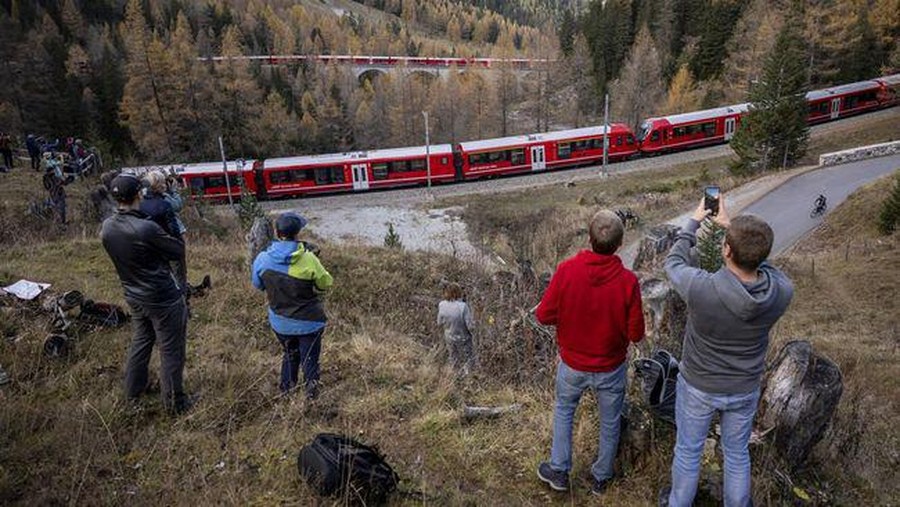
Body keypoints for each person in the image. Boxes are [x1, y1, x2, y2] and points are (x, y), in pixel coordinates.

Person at [662, 196, 793, 507]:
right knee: (736, 455)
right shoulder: (781, 292)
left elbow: (673, 263)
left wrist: (693, 221)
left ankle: (679, 503)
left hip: (698, 386)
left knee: (689, 451)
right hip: (744, 387)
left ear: (726, 250)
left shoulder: (701, 287)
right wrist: (735, 230)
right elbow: (765, 266)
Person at [534, 210, 645, 496]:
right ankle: (601, 477)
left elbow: (544, 315)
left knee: (564, 411)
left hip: (572, 364)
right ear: (620, 244)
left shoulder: (566, 271)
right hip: (610, 367)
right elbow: (636, 334)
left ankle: (559, 470)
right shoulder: (628, 282)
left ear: (589, 238)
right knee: (610, 422)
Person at [100, 173, 192, 415]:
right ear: (139, 194)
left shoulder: (107, 227)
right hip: (162, 297)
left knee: (141, 342)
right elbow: (177, 250)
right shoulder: (146, 228)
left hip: (133, 294)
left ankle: (133, 391)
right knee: (171, 349)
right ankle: (175, 403)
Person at [252, 212, 333, 399]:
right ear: (297, 234)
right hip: (309, 323)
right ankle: (311, 396)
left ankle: (287, 391)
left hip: (279, 322)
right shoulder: (309, 259)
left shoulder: (262, 259)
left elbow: (257, 284)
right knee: (310, 358)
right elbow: (325, 284)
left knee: (289, 354)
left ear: (278, 233)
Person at [141, 171, 187, 295]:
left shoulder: (141, 204)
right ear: (160, 184)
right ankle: (182, 299)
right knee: (179, 275)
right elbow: (174, 228)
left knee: (164, 275)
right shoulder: (164, 203)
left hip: (151, 247)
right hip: (168, 245)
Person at [437, 283, 476, 376]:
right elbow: (470, 326)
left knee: (453, 357)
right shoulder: (463, 306)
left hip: (449, 336)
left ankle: (454, 376)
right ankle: (467, 376)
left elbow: (439, 322)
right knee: (468, 358)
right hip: (463, 337)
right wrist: (475, 328)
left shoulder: (441, 305)